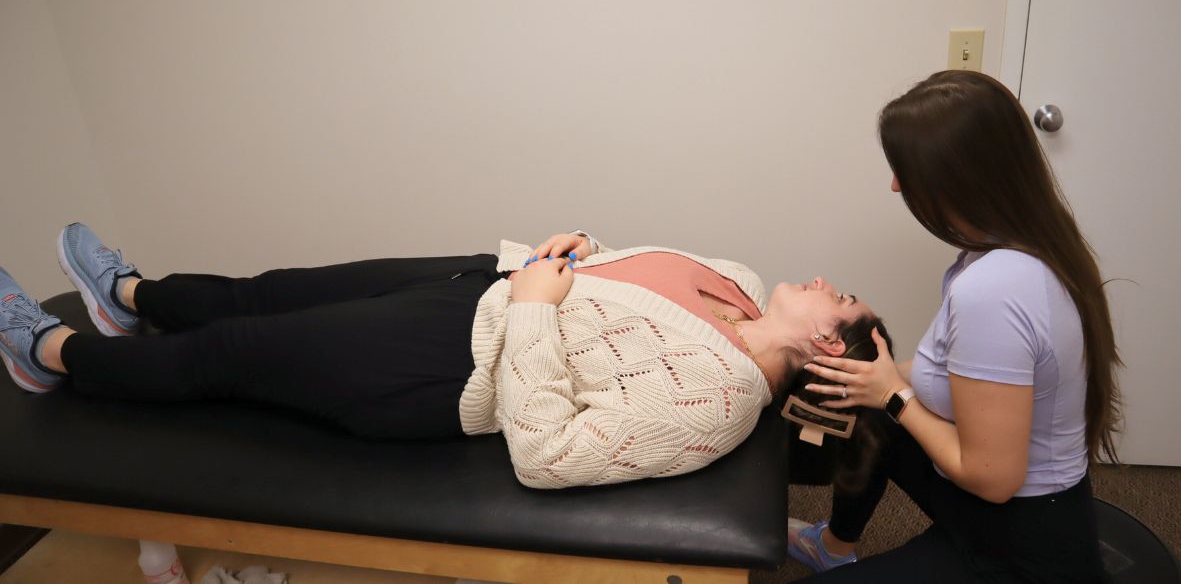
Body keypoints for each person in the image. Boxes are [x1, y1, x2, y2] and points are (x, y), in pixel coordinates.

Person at [0, 224, 888, 489]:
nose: (820, 279)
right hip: (480, 282)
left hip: (447, 369)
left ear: (822, 344)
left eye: (836, 297)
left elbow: (548, 454)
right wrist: (572, 254)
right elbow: (619, 302)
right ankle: (132, 298)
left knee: (231, 352)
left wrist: (539, 310)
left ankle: (59, 353)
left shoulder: (721, 400)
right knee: (269, 286)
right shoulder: (737, 277)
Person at [786, 70, 1117, 582]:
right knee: (871, 410)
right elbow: (960, 371)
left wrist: (895, 395)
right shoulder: (1008, 249)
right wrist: (875, 381)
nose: (896, 184)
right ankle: (833, 547)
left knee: (886, 408)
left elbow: (993, 478)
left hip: (1020, 549)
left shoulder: (995, 289)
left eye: (904, 170)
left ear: (953, 177)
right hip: (1005, 509)